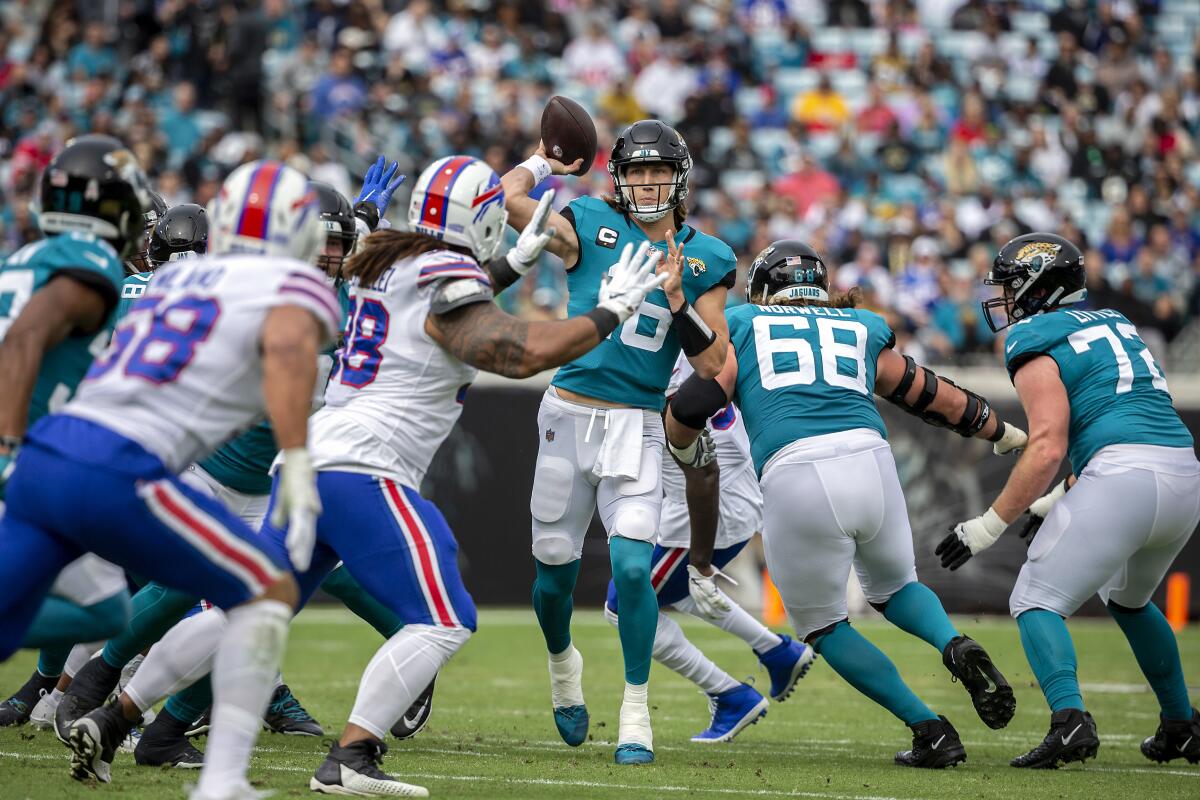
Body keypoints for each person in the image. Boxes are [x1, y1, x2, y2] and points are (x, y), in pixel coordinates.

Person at [245, 155, 671, 796]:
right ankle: (351, 755)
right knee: (445, 617)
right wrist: (607, 312)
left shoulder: (385, 259)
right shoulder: (437, 267)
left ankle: (116, 708)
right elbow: (517, 349)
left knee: (246, 604)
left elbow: (448, 299)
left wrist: (515, 255)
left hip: (308, 451)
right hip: (364, 462)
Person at [0, 157, 337, 800]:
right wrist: (295, 458)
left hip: (50, 454)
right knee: (266, 591)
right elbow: (292, 350)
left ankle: (103, 698)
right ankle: (223, 782)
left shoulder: (168, 280)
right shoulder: (290, 288)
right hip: (119, 467)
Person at [666, 240, 1028, 767]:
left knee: (823, 626)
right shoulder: (859, 326)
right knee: (898, 587)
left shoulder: (743, 323)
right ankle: (952, 643)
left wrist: (676, 437)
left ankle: (931, 729)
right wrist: (999, 429)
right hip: (872, 461)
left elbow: (700, 400)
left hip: (796, 470)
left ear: (765, 291)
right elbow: (930, 393)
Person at [501, 119, 736, 764]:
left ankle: (637, 708)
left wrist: (680, 302)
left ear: (680, 179)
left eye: (660, 171)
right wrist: (544, 161)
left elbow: (715, 366)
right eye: (635, 171)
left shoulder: (706, 254)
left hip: (637, 424)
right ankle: (562, 665)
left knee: (634, 569)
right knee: (553, 578)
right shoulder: (590, 225)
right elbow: (510, 198)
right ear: (618, 177)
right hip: (567, 417)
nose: (647, 182)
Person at [937, 233, 1200, 768]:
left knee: (1034, 598)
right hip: (1182, 474)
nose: (1004, 298)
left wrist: (987, 526)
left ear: (1038, 286)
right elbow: (1123, 424)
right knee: (1128, 601)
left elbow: (1049, 444)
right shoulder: (1117, 323)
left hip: (1123, 476)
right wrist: (1055, 498)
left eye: (1010, 286)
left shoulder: (1033, 334)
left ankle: (1069, 721)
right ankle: (1181, 725)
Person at [0, 135, 150, 728]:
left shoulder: (22, 259)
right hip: (23, 454)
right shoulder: (89, 263)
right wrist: (10, 447)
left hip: (42, 456)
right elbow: (23, 340)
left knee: (105, 607)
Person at [603, 353, 814, 743]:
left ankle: (730, 694)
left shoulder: (654, 358)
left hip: (707, 505)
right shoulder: (698, 343)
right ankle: (774, 650)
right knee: (681, 594)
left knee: (624, 605)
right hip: (729, 493)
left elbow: (693, 461)